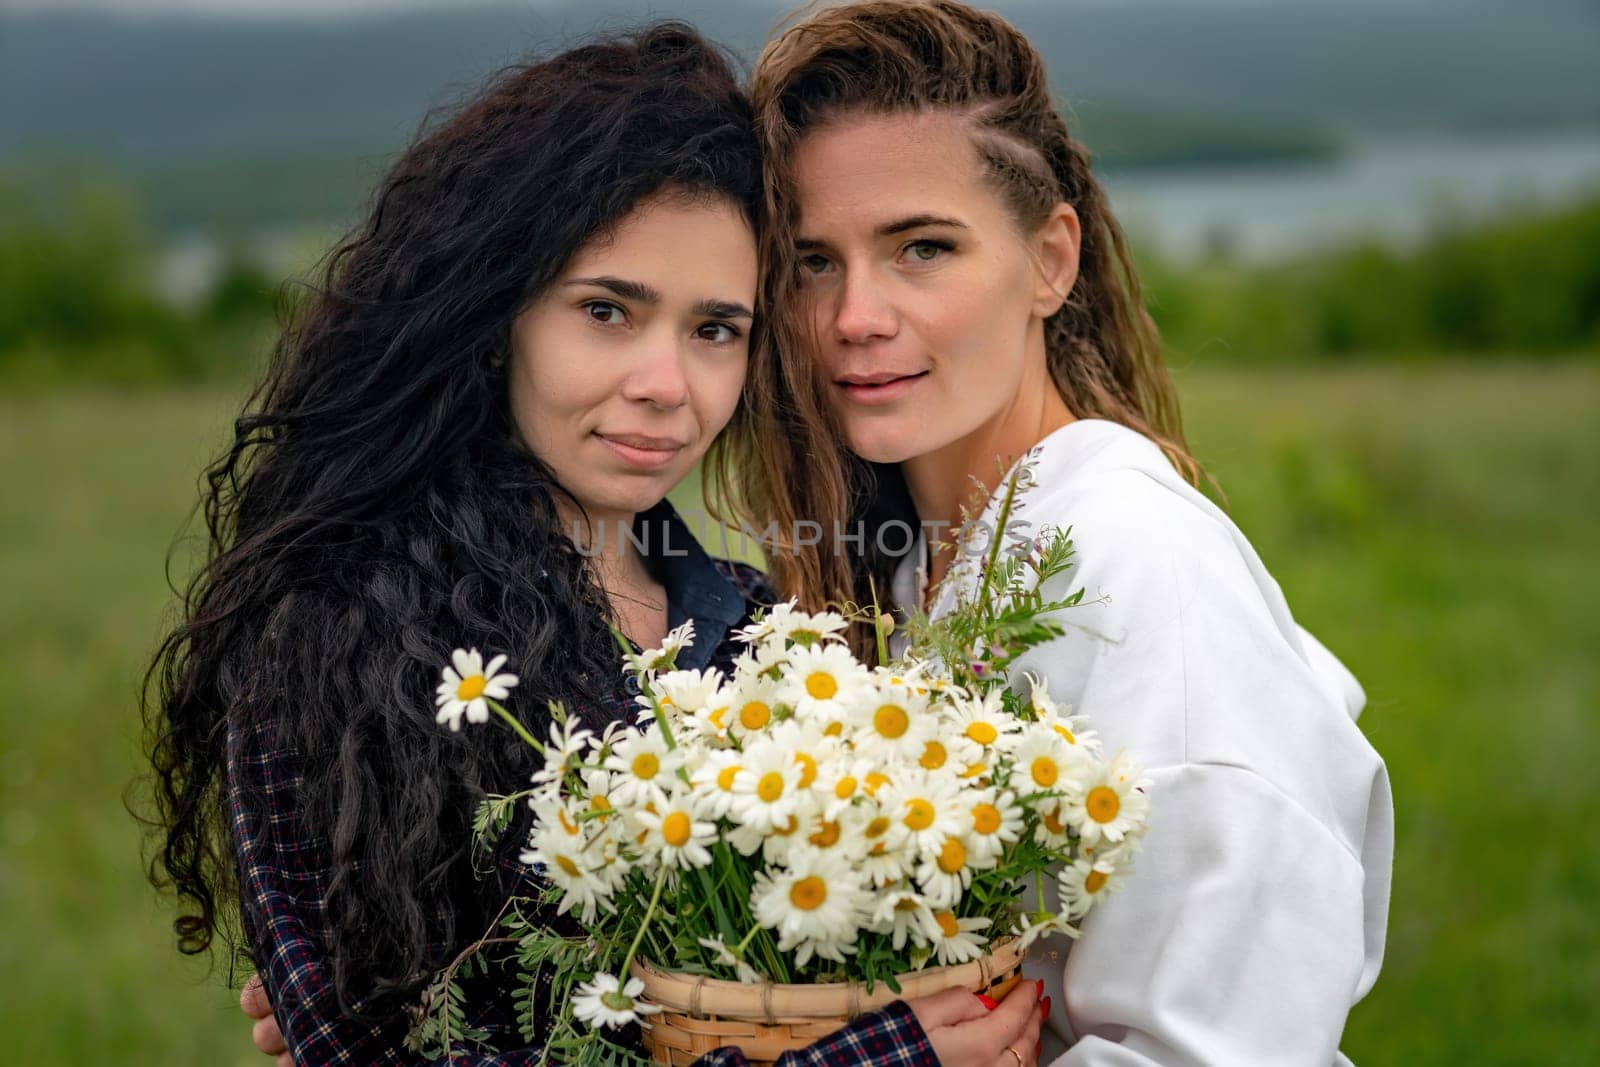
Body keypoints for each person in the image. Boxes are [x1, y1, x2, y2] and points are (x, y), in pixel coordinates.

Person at [146, 21, 1044, 1067]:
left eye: (715, 329)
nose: (666, 384)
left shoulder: (762, 634)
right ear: (498, 315)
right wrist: (875, 1057)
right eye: (608, 312)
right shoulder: (339, 636)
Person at [727, 1, 1395, 1063]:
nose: (854, 315)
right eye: (814, 261)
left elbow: (1214, 1046)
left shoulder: (1139, 567)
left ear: (1049, 259)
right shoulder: (903, 570)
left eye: (921, 248)